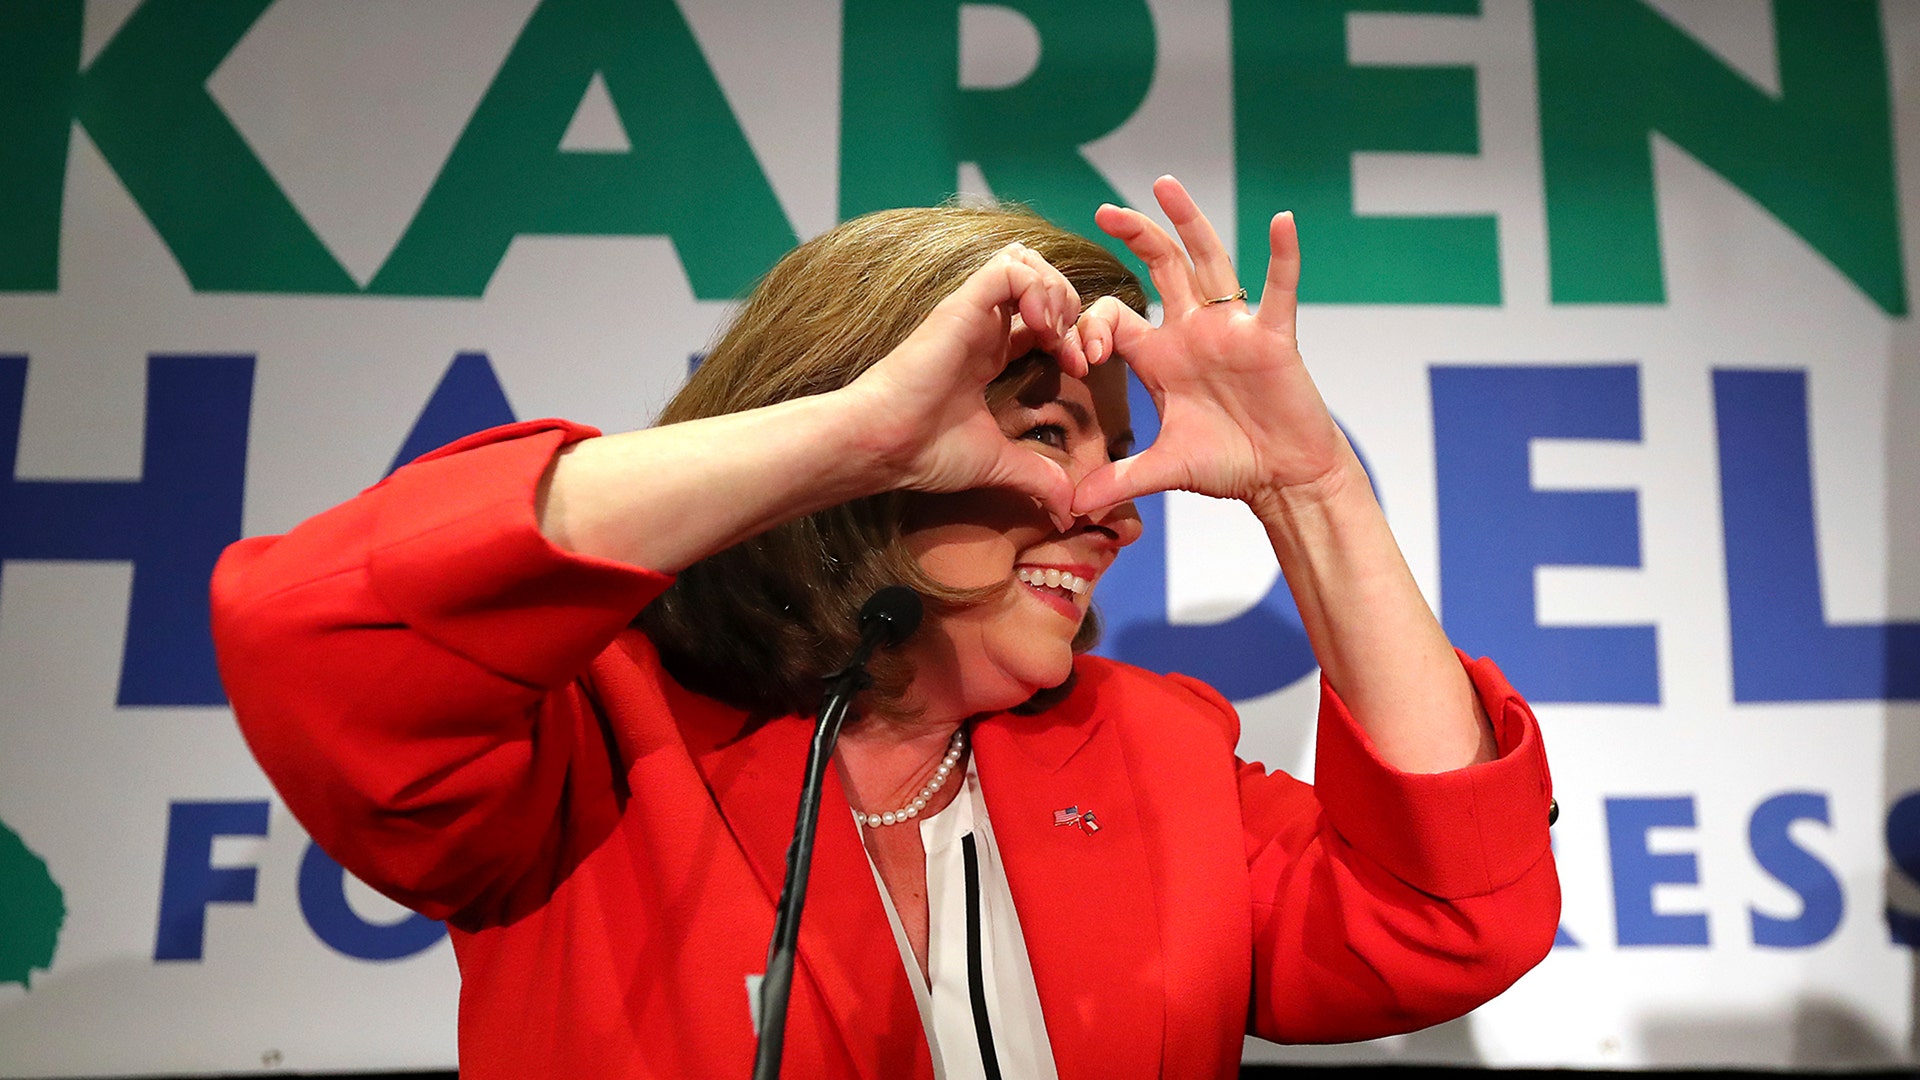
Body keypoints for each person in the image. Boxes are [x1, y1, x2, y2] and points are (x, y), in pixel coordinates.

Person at [212, 177, 1558, 1080]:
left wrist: (1307, 487)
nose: (1108, 507)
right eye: (1042, 432)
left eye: (1116, 453)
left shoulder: (1153, 752)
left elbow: (1448, 917)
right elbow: (311, 638)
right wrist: (849, 436)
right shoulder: (596, 736)